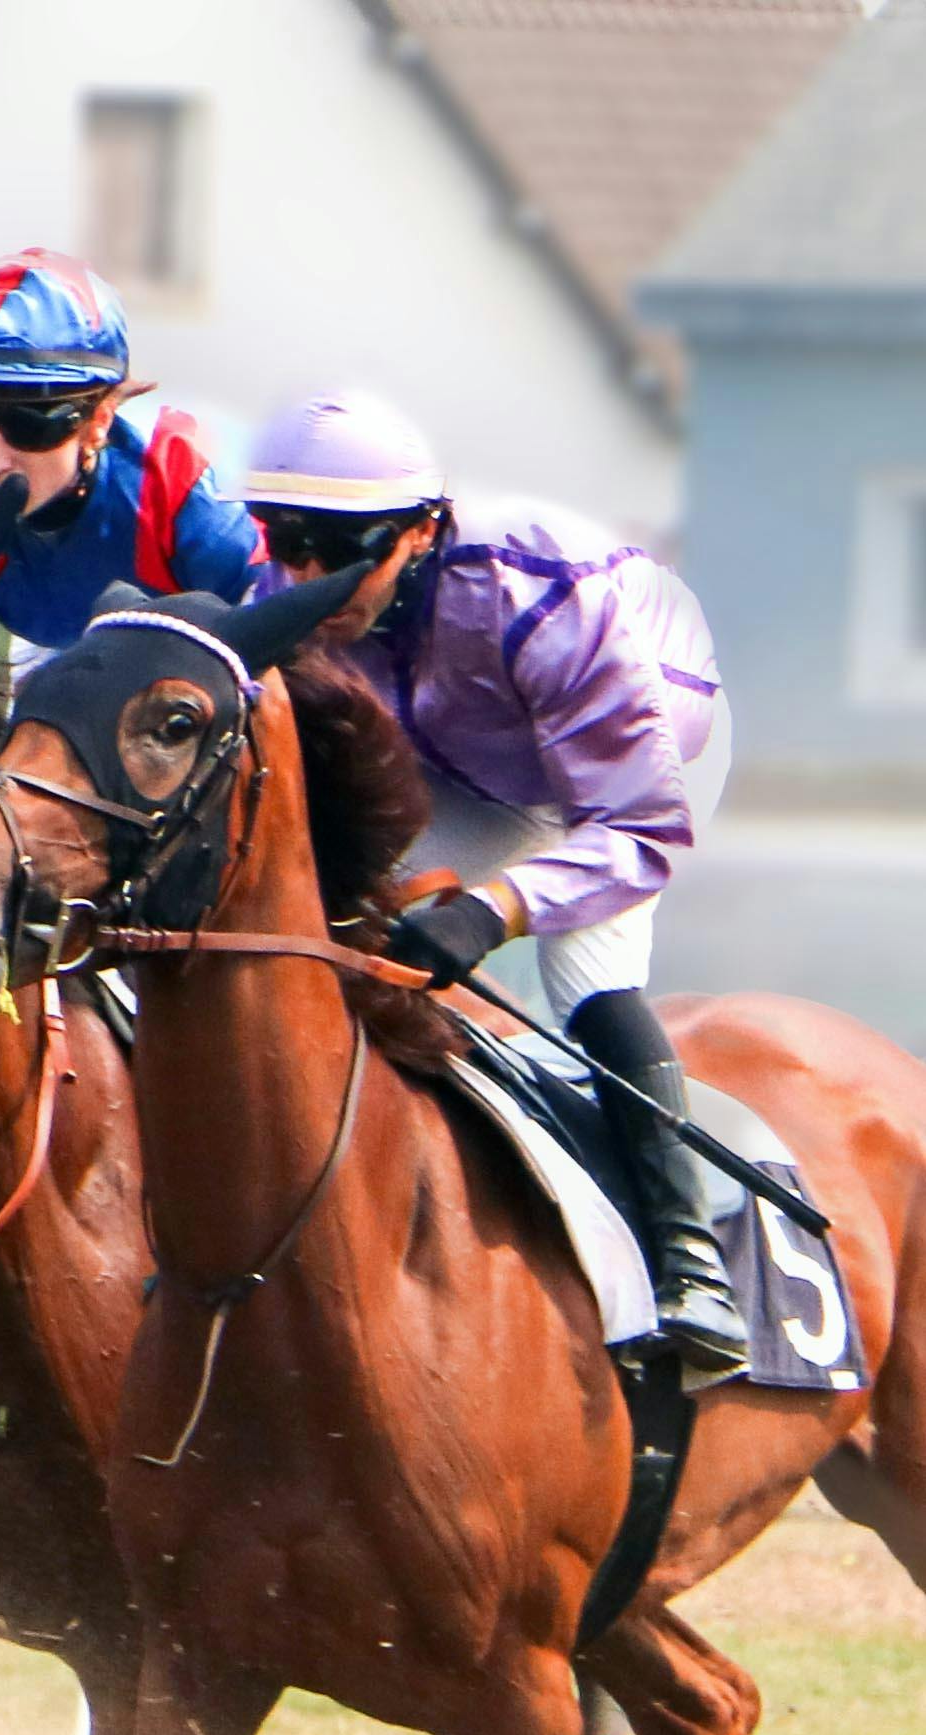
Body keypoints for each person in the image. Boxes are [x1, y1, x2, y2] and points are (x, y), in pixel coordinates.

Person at [246, 389, 750, 1381]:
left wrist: (495, 905)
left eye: (343, 547)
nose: (308, 573)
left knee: (586, 974)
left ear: (421, 531)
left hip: (636, 769)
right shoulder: (282, 585)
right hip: (467, 763)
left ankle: (688, 1261)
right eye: (287, 539)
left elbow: (634, 824)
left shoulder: (534, 590)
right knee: (336, 926)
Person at [0, 248, 264, 738]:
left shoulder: (185, 487)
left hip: (196, 664)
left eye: (30, 423)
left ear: (98, 421)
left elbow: (274, 673)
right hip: (49, 651)